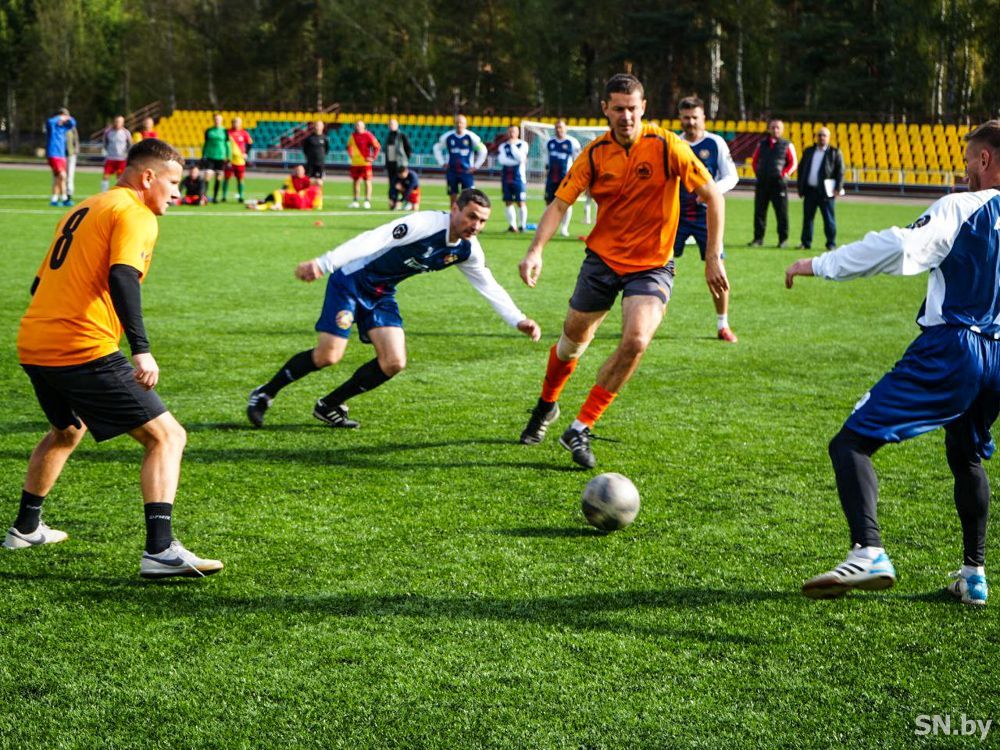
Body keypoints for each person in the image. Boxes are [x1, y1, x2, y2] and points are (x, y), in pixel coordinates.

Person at [785, 120, 1000, 607]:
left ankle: (869, 550)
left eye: (969, 160)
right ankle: (974, 575)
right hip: (998, 357)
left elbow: (901, 246)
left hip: (955, 347)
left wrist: (819, 264)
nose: (965, 170)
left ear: (985, 159)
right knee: (966, 456)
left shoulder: (962, 207)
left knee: (851, 442)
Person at [5, 138, 223, 579]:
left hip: (34, 341)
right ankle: (160, 550)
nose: (177, 192)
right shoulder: (135, 212)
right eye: (173, 183)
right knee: (167, 437)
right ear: (148, 177)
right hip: (80, 346)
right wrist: (141, 348)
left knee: (67, 430)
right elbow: (123, 275)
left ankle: (25, 528)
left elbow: (38, 285)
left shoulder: (86, 206)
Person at [517, 74, 727, 469]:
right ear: (606, 110)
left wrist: (713, 256)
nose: (626, 116)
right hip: (602, 261)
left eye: (632, 108)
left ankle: (580, 426)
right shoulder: (594, 153)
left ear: (643, 107)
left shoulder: (667, 146)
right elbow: (560, 204)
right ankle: (546, 404)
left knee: (636, 340)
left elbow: (713, 195)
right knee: (571, 343)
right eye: (618, 109)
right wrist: (535, 251)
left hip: (651, 265)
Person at [246, 189, 541, 429]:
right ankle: (265, 393)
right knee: (328, 355)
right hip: (350, 281)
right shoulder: (425, 224)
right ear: (455, 209)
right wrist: (325, 263)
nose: (475, 226)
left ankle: (329, 405)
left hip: (382, 293)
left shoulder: (467, 249)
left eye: (482, 221)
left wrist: (518, 320)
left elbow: (487, 284)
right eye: (471, 216)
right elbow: (377, 237)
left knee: (393, 361)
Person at [675, 96, 740, 343]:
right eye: (686, 118)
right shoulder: (673, 143)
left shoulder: (715, 143)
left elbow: (731, 176)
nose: (690, 122)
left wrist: (712, 191)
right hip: (676, 216)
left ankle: (723, 325)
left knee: (716, 269)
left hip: (707, 217)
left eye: (695, 117)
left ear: (703, 117)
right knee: (660, 268)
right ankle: (650, 321)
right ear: (680, 118)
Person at [748, 118, 797, 248]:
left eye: (778, 127)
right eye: (773, 127)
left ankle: (783, 240)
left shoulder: (787, 145)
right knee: (759, 212)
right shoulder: (761, 144)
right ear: (769, 129)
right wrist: (759, 173)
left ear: (782, 130)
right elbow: (754, 161)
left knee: (781, 213)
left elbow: (793, 163)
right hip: (762, 183)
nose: (775, 130)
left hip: (779, 184)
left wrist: (783, 174)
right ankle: (758, 239)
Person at [796, 127, 846, 251]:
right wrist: (800, 186)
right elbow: (801, 169)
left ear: (829, 138)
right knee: (808, 219)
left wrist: (838, 188)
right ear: (816, 137)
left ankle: (831, 243)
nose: (821, 138)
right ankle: (805, 243)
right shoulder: (809, 151)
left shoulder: (835, 152)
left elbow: (840, 172)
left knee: (829, 219)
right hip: (810, 191)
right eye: (819, 135)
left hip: (826, 192)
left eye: (824, 135)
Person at [433, 114, 488, 207]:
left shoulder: (471, 137)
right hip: (452, 171)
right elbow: (436, 148)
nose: (459, 125)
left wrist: (476, 166)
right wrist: (442, 163)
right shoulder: (448, 137)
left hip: (466, 171)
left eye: (461, 123)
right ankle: (453, 215)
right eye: (457, 122)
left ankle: (466, 214)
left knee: (469, 196)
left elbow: (483, 150)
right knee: (453, 197)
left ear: (465, 124)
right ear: (454, 124)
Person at [543, 120, 582, 237]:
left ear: (566, 128)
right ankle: (549, 226)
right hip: (552, 177)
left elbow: (578, 159)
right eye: (557, 127)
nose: (559, 129)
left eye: (561, 127)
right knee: (548, 202)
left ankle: (564, 228)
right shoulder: (549, 142)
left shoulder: (572, 142)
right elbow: (546, 159)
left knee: (567, 202)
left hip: (566, 178)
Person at [498, 124, 530, 233]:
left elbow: (521, 158)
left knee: (521, 201)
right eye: (510, 132)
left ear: (518, 133)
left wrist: (513, 146)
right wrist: (515, 161)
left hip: (519, 178)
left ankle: (522, 225)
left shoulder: (523, 144)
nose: (512, 134)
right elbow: (502, 160)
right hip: (506, 177)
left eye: (514, 132)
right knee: (508, 201)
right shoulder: (502, 146)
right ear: (507, 133)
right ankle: (512, 225)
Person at [246, 165, 322, 210]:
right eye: (298, 170)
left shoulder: (306, 180)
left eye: (300, 170)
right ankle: (257, 207)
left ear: (304, 171)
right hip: (290, 197)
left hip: (294, 198)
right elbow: (284, 187)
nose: (299, 172)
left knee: (275, 194)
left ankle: (261, 202)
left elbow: (314, 185)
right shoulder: (291, 178)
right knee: (272, 200)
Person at [45, 108, 76, 207]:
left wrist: (68, 118)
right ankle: (64, 198)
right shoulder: (52, 127)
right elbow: (50, 121)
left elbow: (73, 123)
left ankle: (54, 200)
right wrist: (59, 117)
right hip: (53, 154)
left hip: (61, 155)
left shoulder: (63, 128)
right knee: (63, 176)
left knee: (58, 178)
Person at [347, 120, 381, 208]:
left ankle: (367, 201)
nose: (358, 127)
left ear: (363, 126)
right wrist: (351, 155)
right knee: (356, 182)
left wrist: (373, 157)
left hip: (365, 163)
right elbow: (349, 146)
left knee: (367, 181)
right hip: (355, 163)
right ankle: (355, 201)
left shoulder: (368, 135)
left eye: (360, 125)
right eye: (357, 125)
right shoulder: (352, 136)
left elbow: (377, 146)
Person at [200, 113, 230, 203]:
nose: (217, 121)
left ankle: (215, 197)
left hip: (221, 157)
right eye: (216, 119)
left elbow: (227, 144)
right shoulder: (209, 130)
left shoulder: (225, 131)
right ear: (214, 120)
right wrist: (203, 155)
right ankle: (204, 196)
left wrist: (229, 156)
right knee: (207, 176)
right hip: (210, 156)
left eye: (219, 119)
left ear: (221, 120)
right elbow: (205, 143)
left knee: (218, 178)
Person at [223, 116, 253, 203]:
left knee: (240, 179)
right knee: (226, 178)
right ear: (232, 123)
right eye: (234, 122)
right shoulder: (227, 132)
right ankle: (224, 196)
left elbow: (250, 143)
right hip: (229, 159)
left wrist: (246, 153)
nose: (236, 124)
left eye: (238, 122)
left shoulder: (244, 133)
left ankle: (241, 196)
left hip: (240, 160)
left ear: (240, 123)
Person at [384, 118, 413, 207]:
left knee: (403, 184)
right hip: (391, 165)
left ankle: (406, 201)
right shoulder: (388, 136)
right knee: (393, 185)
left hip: (400, 165)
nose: (391, 126)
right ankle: (393, 201)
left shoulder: (402, 135)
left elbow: (408, 149)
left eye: (393, 124)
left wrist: (404, 160)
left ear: (397, 125)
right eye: (390, 124)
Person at [101, 116, 132, 193]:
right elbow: (105, 143)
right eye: (116, 121)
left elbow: (129, 145)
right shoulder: (108, 132)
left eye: (120, 122)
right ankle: (104, 193)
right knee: (105, 176)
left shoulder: (126, 132)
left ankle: (119, 193)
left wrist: (126, 154)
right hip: (110, 158)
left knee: (120, 178)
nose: (118, 123)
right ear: (114, 122)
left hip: (121, 159)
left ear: (123, 123)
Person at [65, 121, 80, 204]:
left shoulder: (72, 128)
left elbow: (76, 140)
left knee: (69, 176)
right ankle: (60, 195)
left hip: (71, 155)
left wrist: (76, 149)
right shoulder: (58, 128)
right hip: (60, 155)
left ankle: (69, 195)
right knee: (60, 176)